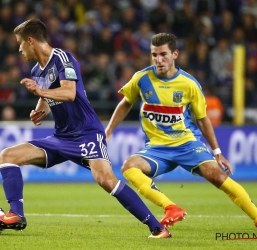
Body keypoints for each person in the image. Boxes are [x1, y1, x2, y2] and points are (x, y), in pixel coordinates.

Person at [0, 19, 170, 239]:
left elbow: (69, 92)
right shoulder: (36, 70)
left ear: (31, 40)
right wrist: (39, 110)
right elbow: (47, 95)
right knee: (7, 156)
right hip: (61, 136)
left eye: (20, 43)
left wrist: (39, 93)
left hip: (86, 132)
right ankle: (16, 214)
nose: (19, 49)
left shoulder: (63, 58)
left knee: (106, 180)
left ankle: (158, 228)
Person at [105, 33, 257, 228]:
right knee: (128, 167)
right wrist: (109, 130)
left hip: (187, 144)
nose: (159, 60)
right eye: (154, 55)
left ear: (175, 54)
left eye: (163, 54)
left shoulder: (189, 84)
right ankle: (170, 207)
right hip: (157, 149)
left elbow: (202, 119)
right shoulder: (141, 78)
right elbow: (126, 103)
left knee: (217, 175)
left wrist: (217, 152)